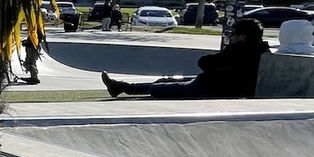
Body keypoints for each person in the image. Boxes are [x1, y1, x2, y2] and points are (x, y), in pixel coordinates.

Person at [102, 18, 268, 99]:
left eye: (234, 34)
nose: (232, 37)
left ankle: (123, 87)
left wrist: (220, 63)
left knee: (158, 89)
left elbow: (205, 63)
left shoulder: (239, 50)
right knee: (163, 81)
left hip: (210, 88)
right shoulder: (263, 51)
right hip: (213, 84)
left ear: (243, 37)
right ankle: (122, 87)